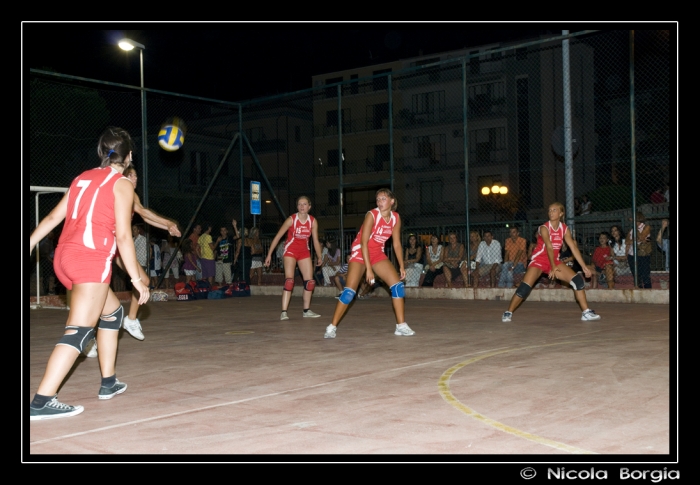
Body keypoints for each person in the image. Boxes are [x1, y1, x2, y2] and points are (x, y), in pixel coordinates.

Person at [28, 126, 150, 420]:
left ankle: (109, 383)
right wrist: (137, 280)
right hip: (89, 260)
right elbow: (123, 236)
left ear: (101, 153)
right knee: (79, 331)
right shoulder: (122, 185)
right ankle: (42, 401)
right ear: (129, 156)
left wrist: (28, 242)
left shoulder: (81, 178)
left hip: (65, 256)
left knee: (113, 314)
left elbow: (53, 217)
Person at [84, 164, 181, 357]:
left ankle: (130, 319)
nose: (135, 179)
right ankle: (87, 338)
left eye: (136, 175)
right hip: (101, 243)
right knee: (96, 294)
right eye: (132, 175)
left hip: (117, 246)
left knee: (143, 281)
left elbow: (144, 214)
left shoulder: (132, 196)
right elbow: (144, 214)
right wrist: (168, 223)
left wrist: (167, 225)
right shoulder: (117, 188)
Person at [324, 188, 414, 339]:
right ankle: (331, 327)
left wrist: (401, 266)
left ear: (392, 201)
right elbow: (364, 242)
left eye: (383, 199)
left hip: (377, 252)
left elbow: (397, 244)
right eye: (378, 199)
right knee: (349, 292)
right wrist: (369, 270)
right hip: (360, 251)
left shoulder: (395, 218)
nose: (379, 202)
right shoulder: (372, 215)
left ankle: (401, 326)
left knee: (397, 286)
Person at [502, 202, 601, 323]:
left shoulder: (564, 229)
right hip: (539, 260)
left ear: (561, 213)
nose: (551, 212)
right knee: (524, 289)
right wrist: (553, 267)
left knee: (578, 281)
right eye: (549, 210)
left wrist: (584, 267)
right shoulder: (544, 228)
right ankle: (508, 312)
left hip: (553, 260)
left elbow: (573, 248)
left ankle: (586, 313)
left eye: (554, 210)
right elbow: (549, 247)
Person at [264, 196, 324, 321]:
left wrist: (319, 256)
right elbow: (277, 237)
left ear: (309, 206)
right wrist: (269, 254)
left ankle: (306, 310)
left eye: (305, 204)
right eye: (300, 204)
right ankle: (284, 312)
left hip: (304, 252)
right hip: (290, 251)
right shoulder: (291, 220)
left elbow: (315, 241)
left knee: (310, 282)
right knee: (289, 281)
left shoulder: (313, 221)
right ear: (297, 207)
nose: (302, 206)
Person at [626, 212, 652, 288]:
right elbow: (627, 241)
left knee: (645, 275)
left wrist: (635, 239)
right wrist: (636, 240)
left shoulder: (646, 227)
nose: (630, 220)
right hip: (632, 254)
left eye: (632, 219)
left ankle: (648, 292)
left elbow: (641, 237)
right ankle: (639, 292)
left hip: (643, 254)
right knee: (636, 276)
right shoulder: (632, 229)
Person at [37, 230, 56, 295]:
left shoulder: (49, 241)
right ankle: (46, 290)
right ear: (48, 234)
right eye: (51, 234)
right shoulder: (46, 242)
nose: (53, 235)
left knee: (49, 276)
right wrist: (52, 261)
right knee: (47, 276)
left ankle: (49, 289)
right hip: (46, 260)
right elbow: (46, 254)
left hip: (48, 259)